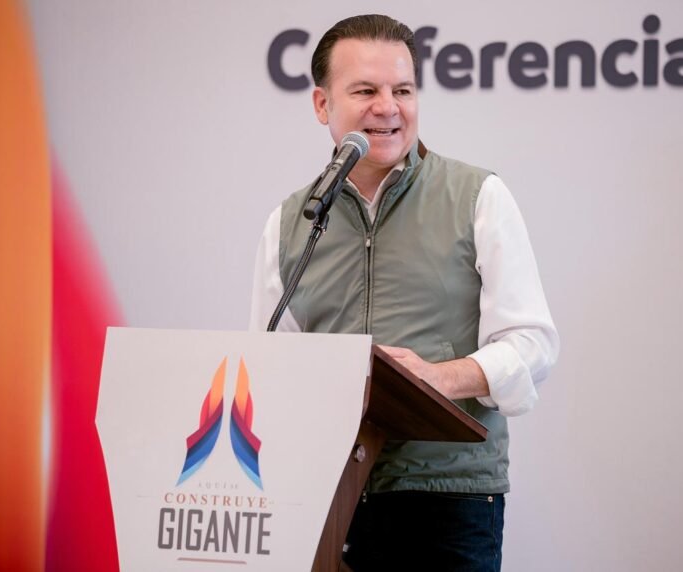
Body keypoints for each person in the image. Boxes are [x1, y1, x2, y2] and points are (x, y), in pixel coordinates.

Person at [249, 14, 559, 571]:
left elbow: (532, 346)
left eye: (403, 90)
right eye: (365, 90)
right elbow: (268, 365)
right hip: (326, 497)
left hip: (449, 497)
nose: (388, 107)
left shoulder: (478, 196)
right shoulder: (290, 221)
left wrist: (438, 378)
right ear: (322, 104)